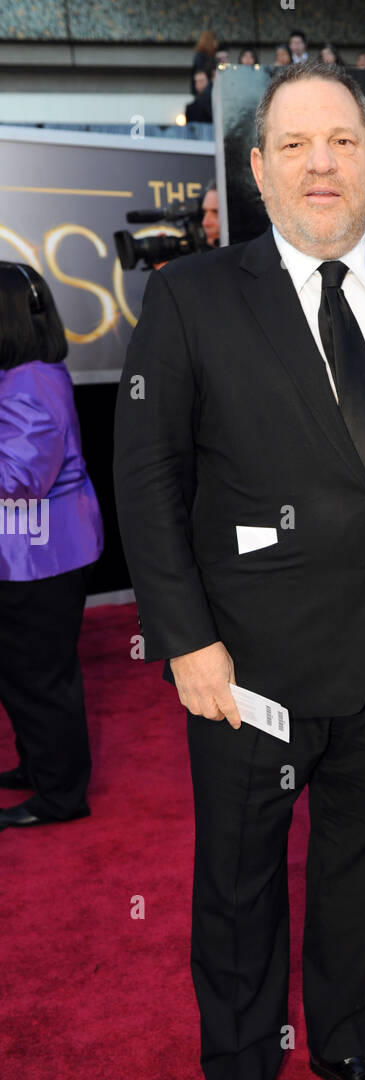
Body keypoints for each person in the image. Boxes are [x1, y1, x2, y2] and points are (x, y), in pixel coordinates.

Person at [113, 59, 365, 1080]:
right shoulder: (191, 299)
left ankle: (348, 1047)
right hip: (246, 667)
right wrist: (184, 640)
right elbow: (149, 477)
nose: (321, 162)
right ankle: (237, 1078)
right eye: (294, 145)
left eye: (341, 142)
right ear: (258, 169)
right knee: (236, 882)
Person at [0, 263, 103, 830]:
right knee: (24, 674)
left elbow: (19, 480)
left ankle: (61, 796)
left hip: (41, 557)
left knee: (40, 678)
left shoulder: (32, 381)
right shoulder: (28, 374)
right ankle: (39, 768)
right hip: (33, 551)